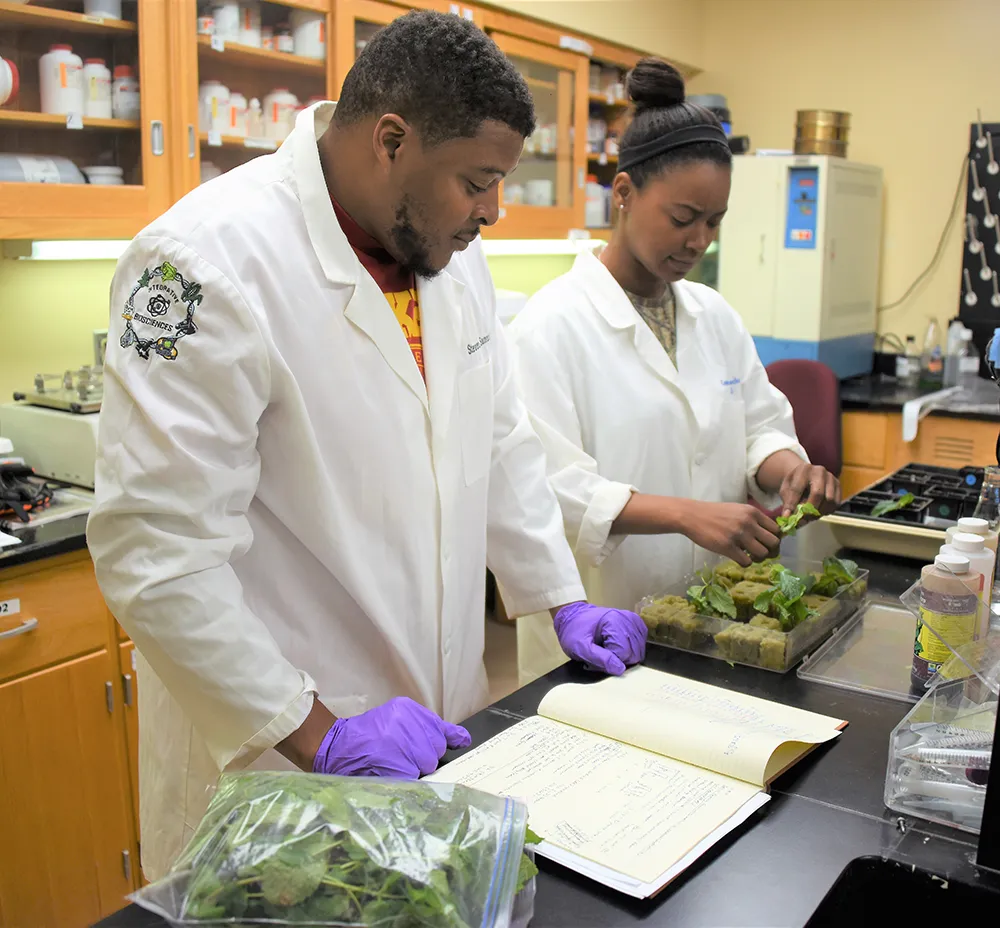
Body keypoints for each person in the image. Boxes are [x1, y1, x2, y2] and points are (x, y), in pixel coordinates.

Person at [87, 12, 645, 880]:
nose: (493, 212)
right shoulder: (202, 263)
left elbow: (501, 446)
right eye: (477, 181)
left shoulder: (448, 256)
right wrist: (319, 733)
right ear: (391, 140)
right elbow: (155, 553)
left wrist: (558, 598)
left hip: (436, 733)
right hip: (278, 755)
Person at [507, 58, 839, 684]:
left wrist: (789, 469)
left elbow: (758, 428)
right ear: (625, 193)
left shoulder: (713, 316)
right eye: (683, 218)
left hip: (707, 621)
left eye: (713, 223)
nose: (698, 242)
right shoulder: (549, 327)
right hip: (598, 627)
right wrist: (686, 513)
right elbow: (547, 491)